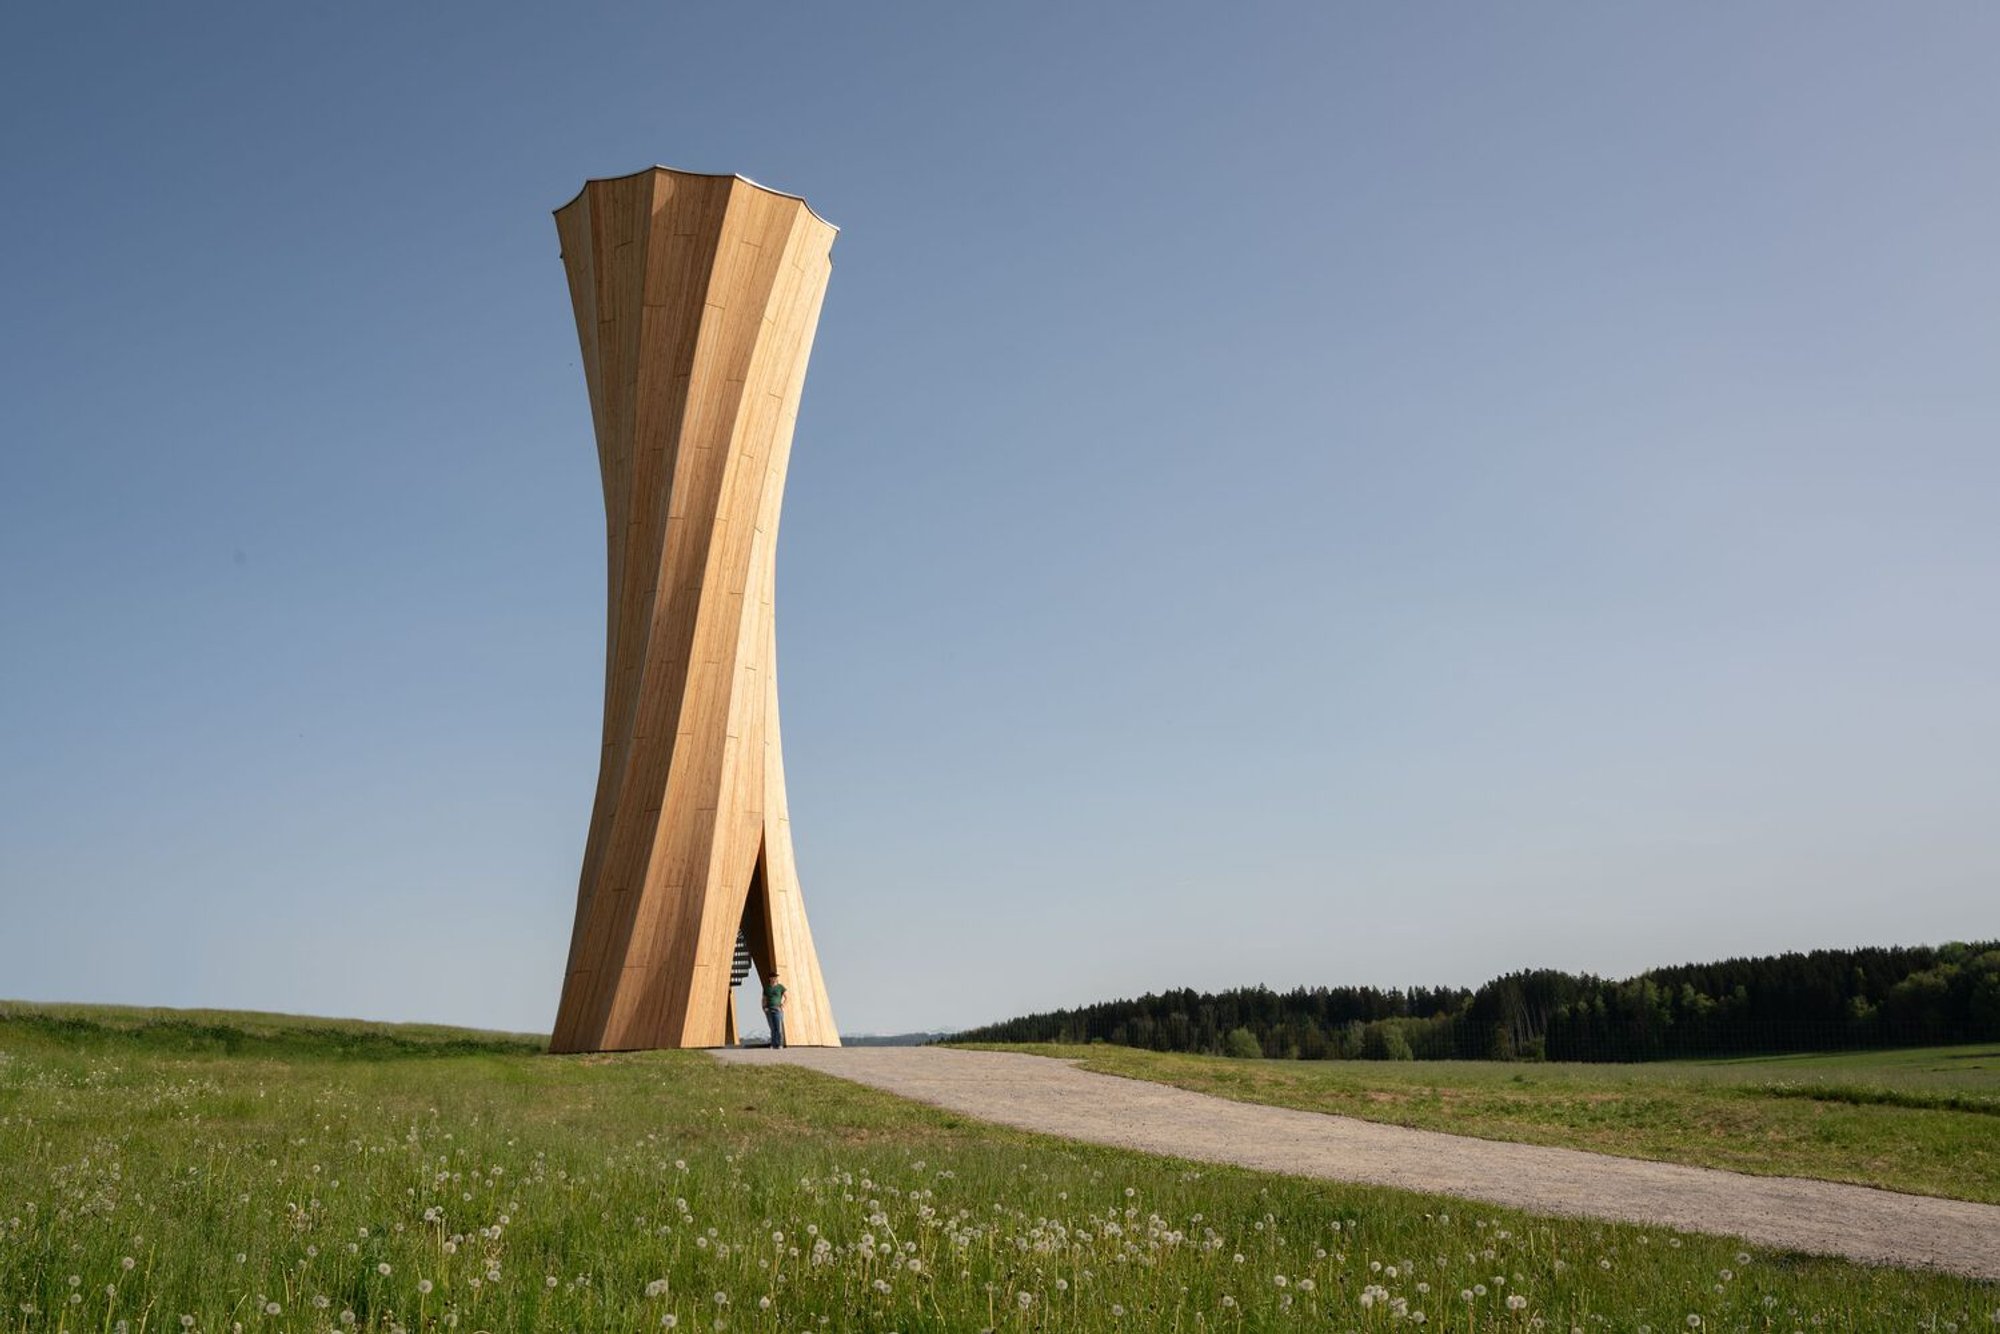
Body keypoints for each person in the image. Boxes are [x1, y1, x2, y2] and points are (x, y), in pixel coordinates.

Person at [762, 973, 787, 1049]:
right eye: (773, 978)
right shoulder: (766, 988)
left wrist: (783, 1005)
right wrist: (764, 1007)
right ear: (770, 979)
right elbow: (764, 999)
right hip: (769, 1009)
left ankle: (779, 1044)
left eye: (775, 977)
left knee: (778, 1028)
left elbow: (786, 997)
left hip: (777, 1009)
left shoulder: (780, 987)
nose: (774, 979)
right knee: (772, 1028)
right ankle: (773, 1044)